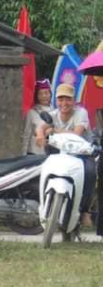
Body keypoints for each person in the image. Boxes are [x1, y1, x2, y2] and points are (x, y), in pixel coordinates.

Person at [35, 83, 95, 226]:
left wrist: (53, 130)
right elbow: (41, 126)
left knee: (91, 173)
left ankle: (85, 211)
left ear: (74, 100)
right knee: (42, 169)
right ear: (56, 100)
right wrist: (40, 135)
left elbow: (77, 134)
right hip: (60, 154)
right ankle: (44, 205)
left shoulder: (81, 113)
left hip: (82, 154)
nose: (64, 103)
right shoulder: (53, 114)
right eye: (60, 99)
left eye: (68, 99)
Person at [22, 79, 53, 155]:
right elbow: (26, 133)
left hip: (52, 152)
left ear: (50, 94)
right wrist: (23, 153)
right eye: (40, 94)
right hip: (35, 152)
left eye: (46, 93)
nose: (44, 96)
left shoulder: (56, 111)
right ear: (36, 96)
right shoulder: (31, 112)